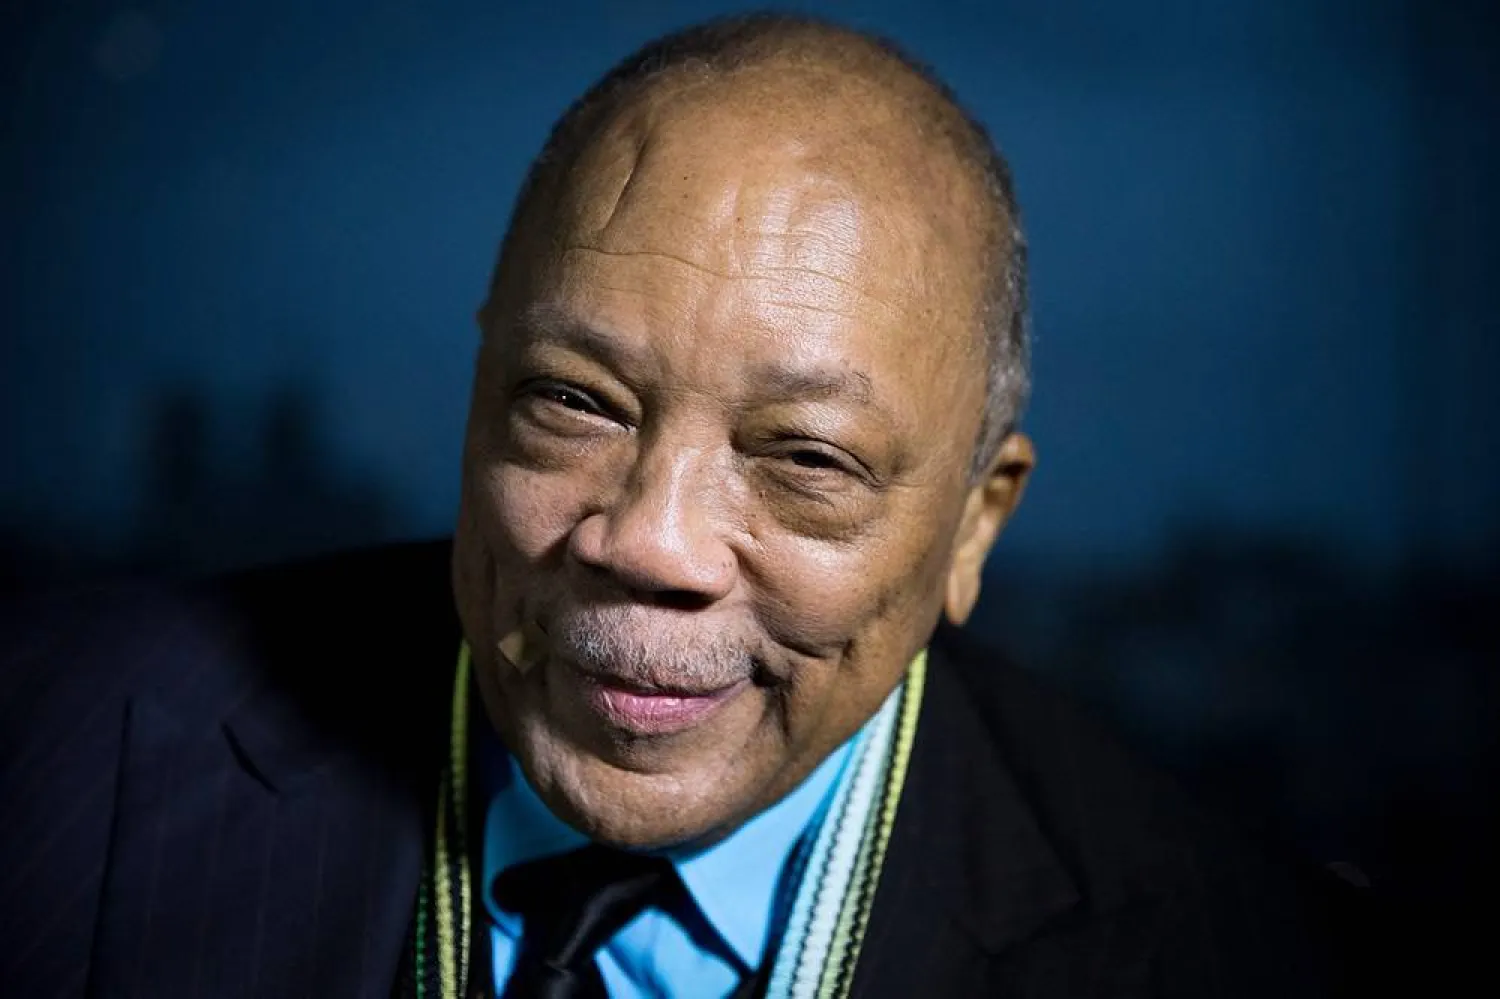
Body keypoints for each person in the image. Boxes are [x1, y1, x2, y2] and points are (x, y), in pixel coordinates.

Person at [0, 13, 1368, 998]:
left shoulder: (1236, 950)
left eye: (806, 461)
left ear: (973, 529)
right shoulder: (57, 751)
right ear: (480, 387)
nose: (647, 540)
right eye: (576, 403)